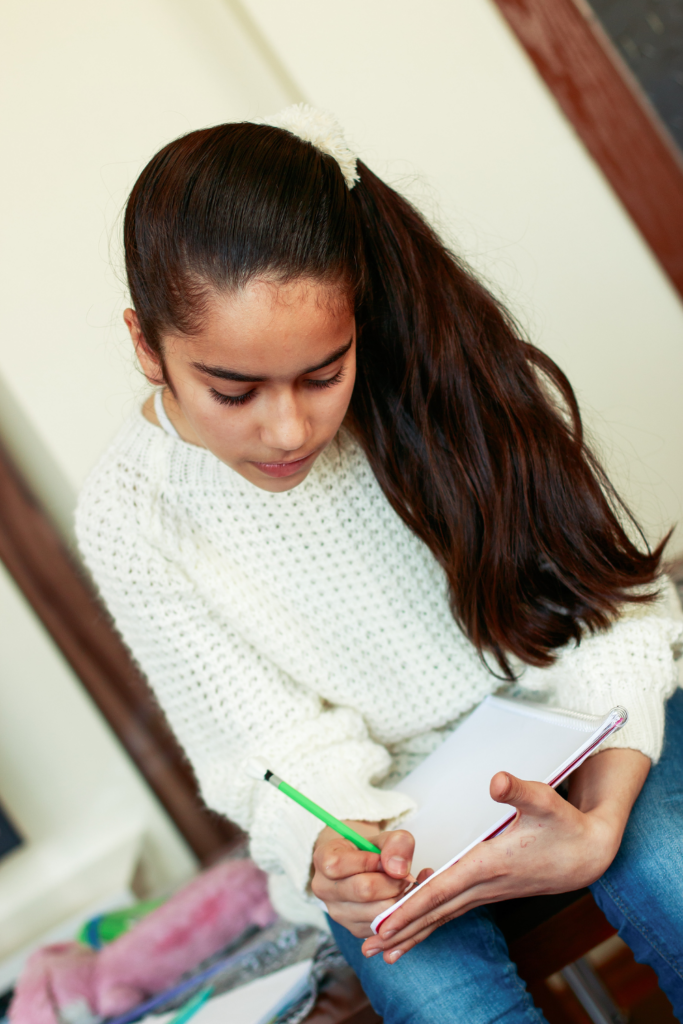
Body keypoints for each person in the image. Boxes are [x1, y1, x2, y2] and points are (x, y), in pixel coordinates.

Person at [76, 106, 683, 1023]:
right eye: (232, 391)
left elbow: (614, 613)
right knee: (441, 1002)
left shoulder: (446, 373)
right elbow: (271, 756)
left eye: (324, 374)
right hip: (381, 816)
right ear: (143, 344)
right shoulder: (129, 514)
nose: (289, 431)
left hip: (577, 718)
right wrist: (334, 849)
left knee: (667, 868)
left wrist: (600, 825)